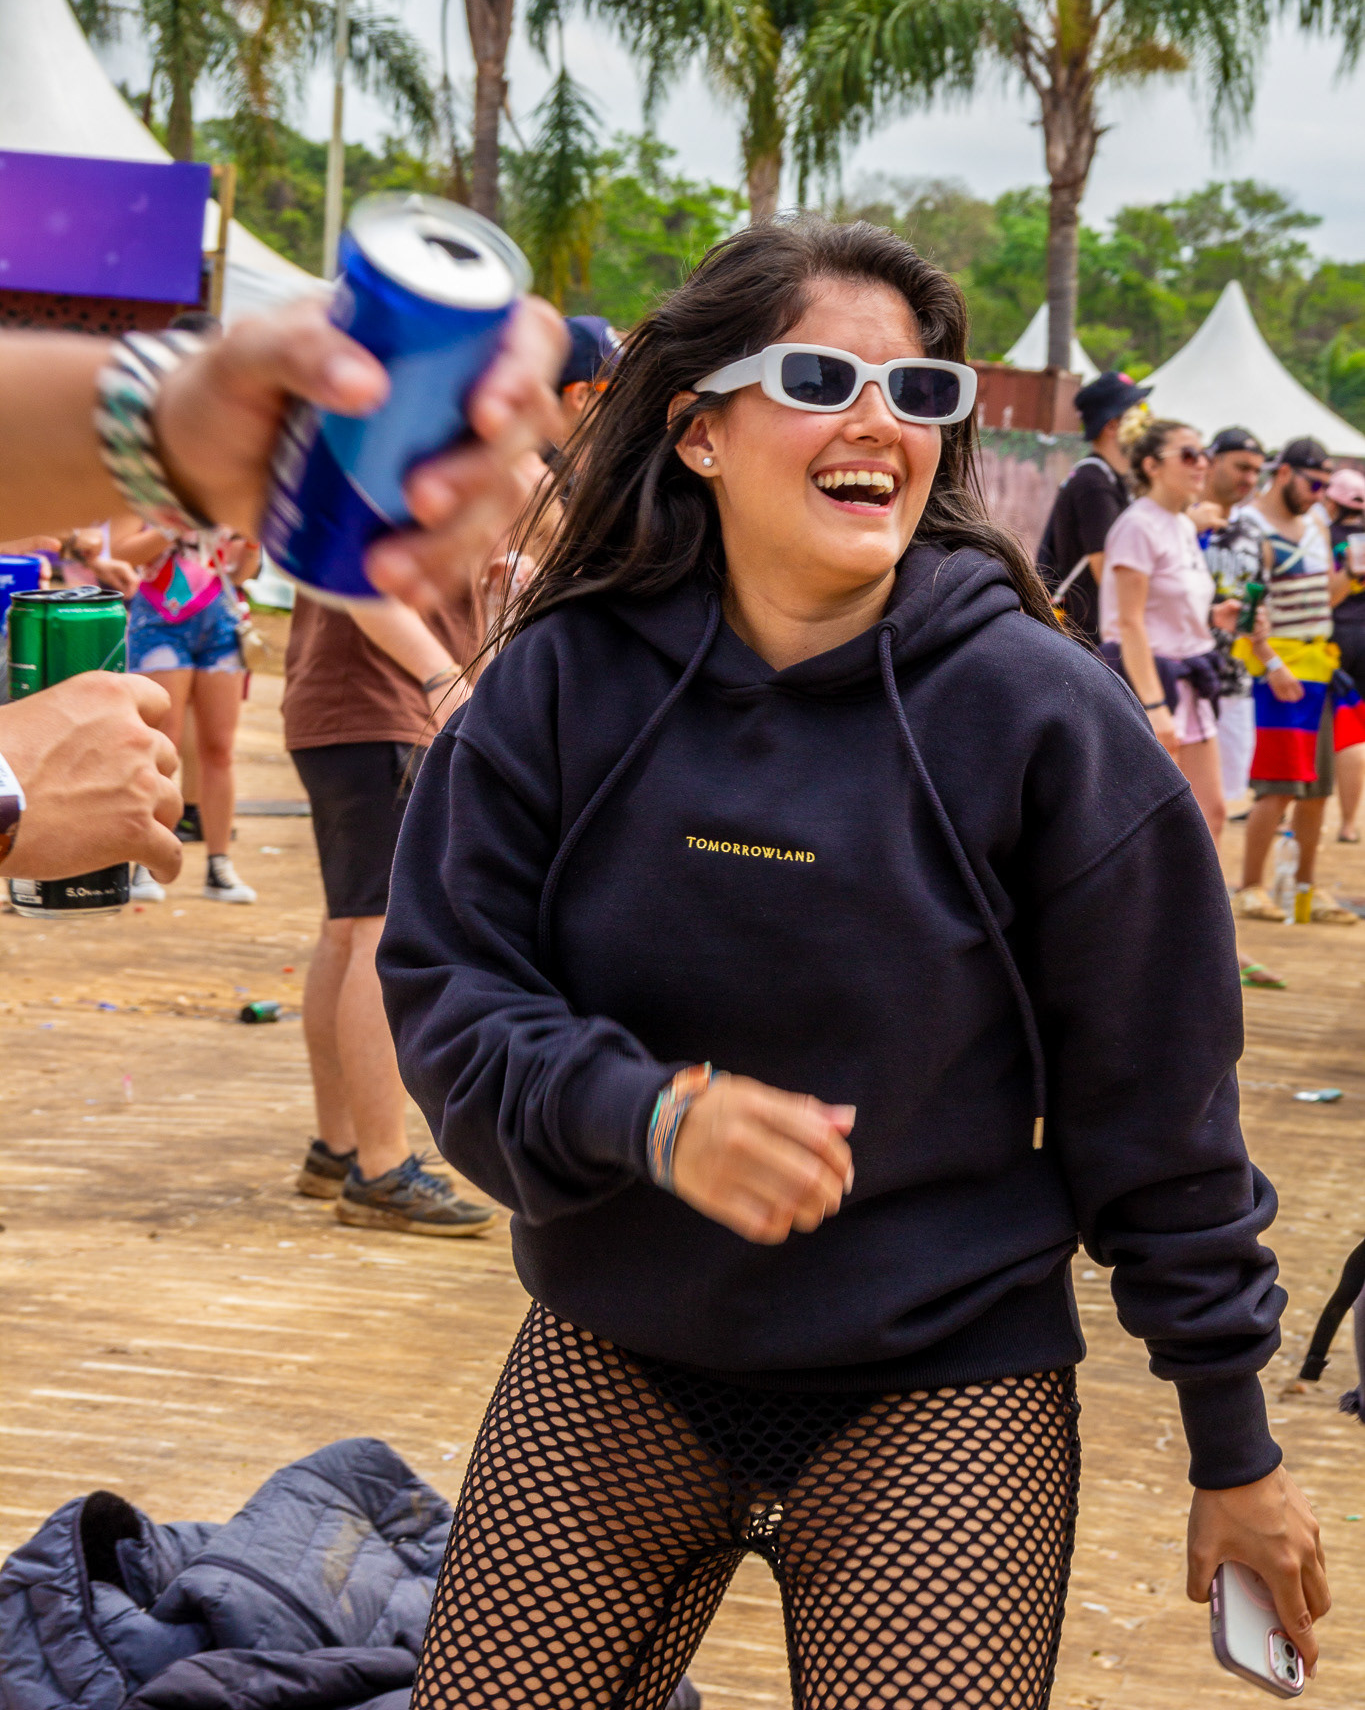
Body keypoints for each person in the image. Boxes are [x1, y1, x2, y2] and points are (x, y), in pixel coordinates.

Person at [380, 218, 1325, 1710]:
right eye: (824, 377)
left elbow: (1158, 1119)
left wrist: (1234, 1449)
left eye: (921, 393)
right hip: (616, 1354)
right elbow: (449, 998)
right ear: (698, 431)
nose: (883, 420)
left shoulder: (1044, 718)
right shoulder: (564, 681)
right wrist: (650, 1116)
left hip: (940, 1384)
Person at [0, 295, 566, 888]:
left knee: (208, 750)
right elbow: (364, 585)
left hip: (218, 614)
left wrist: (190, 422)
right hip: (300, 678)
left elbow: (238, 534)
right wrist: (11, 783)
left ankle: (218, 861)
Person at [286, 591, 495, 1237]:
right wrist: (446, 681)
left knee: (348, 928)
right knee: (376, 930)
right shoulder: (387, 484)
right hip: (382, 709)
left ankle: (340, 1149)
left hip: (350, 710)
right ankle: (380, 1169)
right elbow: (359, 580)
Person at [1233, 437, 1365, 923]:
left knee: (1318, 788)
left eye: (1327, 486)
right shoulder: (1250, 526)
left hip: (1319, 666)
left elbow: (1323, 602)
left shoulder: (1316, 523)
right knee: (1278, 785)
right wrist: (1270, 663)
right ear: (1285, 473)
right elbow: (1246, 609)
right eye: (1315, 483)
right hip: (1278, 669)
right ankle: (1251, 887)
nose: (1320, 494)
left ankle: (1304, 892)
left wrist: (1351, 577)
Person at [1098, 420, 1235, 846]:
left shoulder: (1179, 524)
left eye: (1205, 455)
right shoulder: (1139, 525)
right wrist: (1155, 706)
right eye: (1190, 455)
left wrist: (1214, 615)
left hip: (1189, 680)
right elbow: (1129, 620)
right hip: (1151, 682)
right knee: (1152, 825)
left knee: (1210, 815)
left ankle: (1188, 912)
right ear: (1152, 465)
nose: (1202, 465)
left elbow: (1165, 605)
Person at [116, 524, 259, 904]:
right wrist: (177, 522)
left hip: (223, 620)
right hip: (160, 619)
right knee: (164, 745)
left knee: (220, 750)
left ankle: (219, 865)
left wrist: (253, 542)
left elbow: (239, 573)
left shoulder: (230, 485)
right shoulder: (147, 480)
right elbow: (123, 550)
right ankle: (145, 864)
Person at [1036, 368, 1149, 641]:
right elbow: (1109, 573)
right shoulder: (1094, 482)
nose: (1149, 425)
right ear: (1112, 426)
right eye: (1140, 414)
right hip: (1088, 640)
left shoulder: (1111, 478)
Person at [1196, 428, 1268, 810]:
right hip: (1185, 678)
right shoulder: (1178, 521)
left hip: (1234, 681)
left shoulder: (1253, 534)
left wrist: (1265, 647)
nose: (1250, 479)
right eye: (1242, 467)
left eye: (1257, 471)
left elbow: (1259, 602)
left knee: (1219, 807)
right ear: (1212, 461)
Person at [1323, 468, 1365, 842]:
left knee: (1319, 727)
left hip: (1336, 635)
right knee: (1355, 732)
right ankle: (1349, 824)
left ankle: (1288, 810)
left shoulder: (1325, 538)